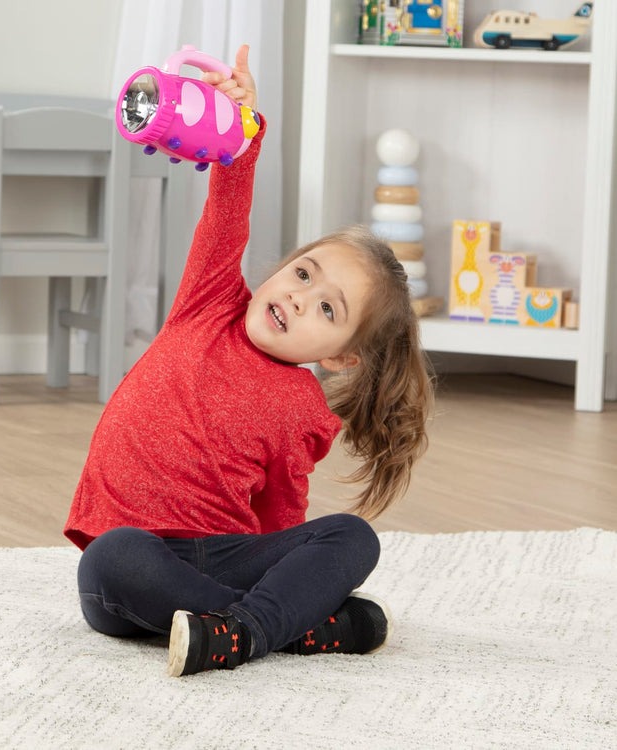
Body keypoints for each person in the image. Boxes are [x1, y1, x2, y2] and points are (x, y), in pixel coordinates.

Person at [64, 45, 433, 677]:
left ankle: (238, 632)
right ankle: (287, 627)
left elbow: (279, 520)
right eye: (303, 273)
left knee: (352, 536)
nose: (297, 296)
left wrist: (285, 571)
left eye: (327, 308)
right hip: (138, 568)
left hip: (224, 554)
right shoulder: (210, 303)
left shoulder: (303, 409)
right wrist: (242, 129)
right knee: (110, 556)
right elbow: (226, 214)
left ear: (342, 357)